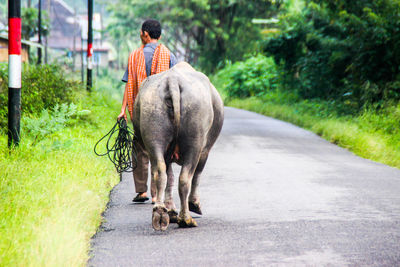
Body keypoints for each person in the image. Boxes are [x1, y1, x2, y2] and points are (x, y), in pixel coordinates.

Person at [117, 19, 178, 203]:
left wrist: (123, 110)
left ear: (145, 33)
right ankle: (155, 194)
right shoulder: (169, 55)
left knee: (140, 147)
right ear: (159, 36)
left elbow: (129, 85)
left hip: (140, 110)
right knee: (160, 150)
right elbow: (175, 86)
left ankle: (141, 191)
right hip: (163, 112)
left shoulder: (134, 56)